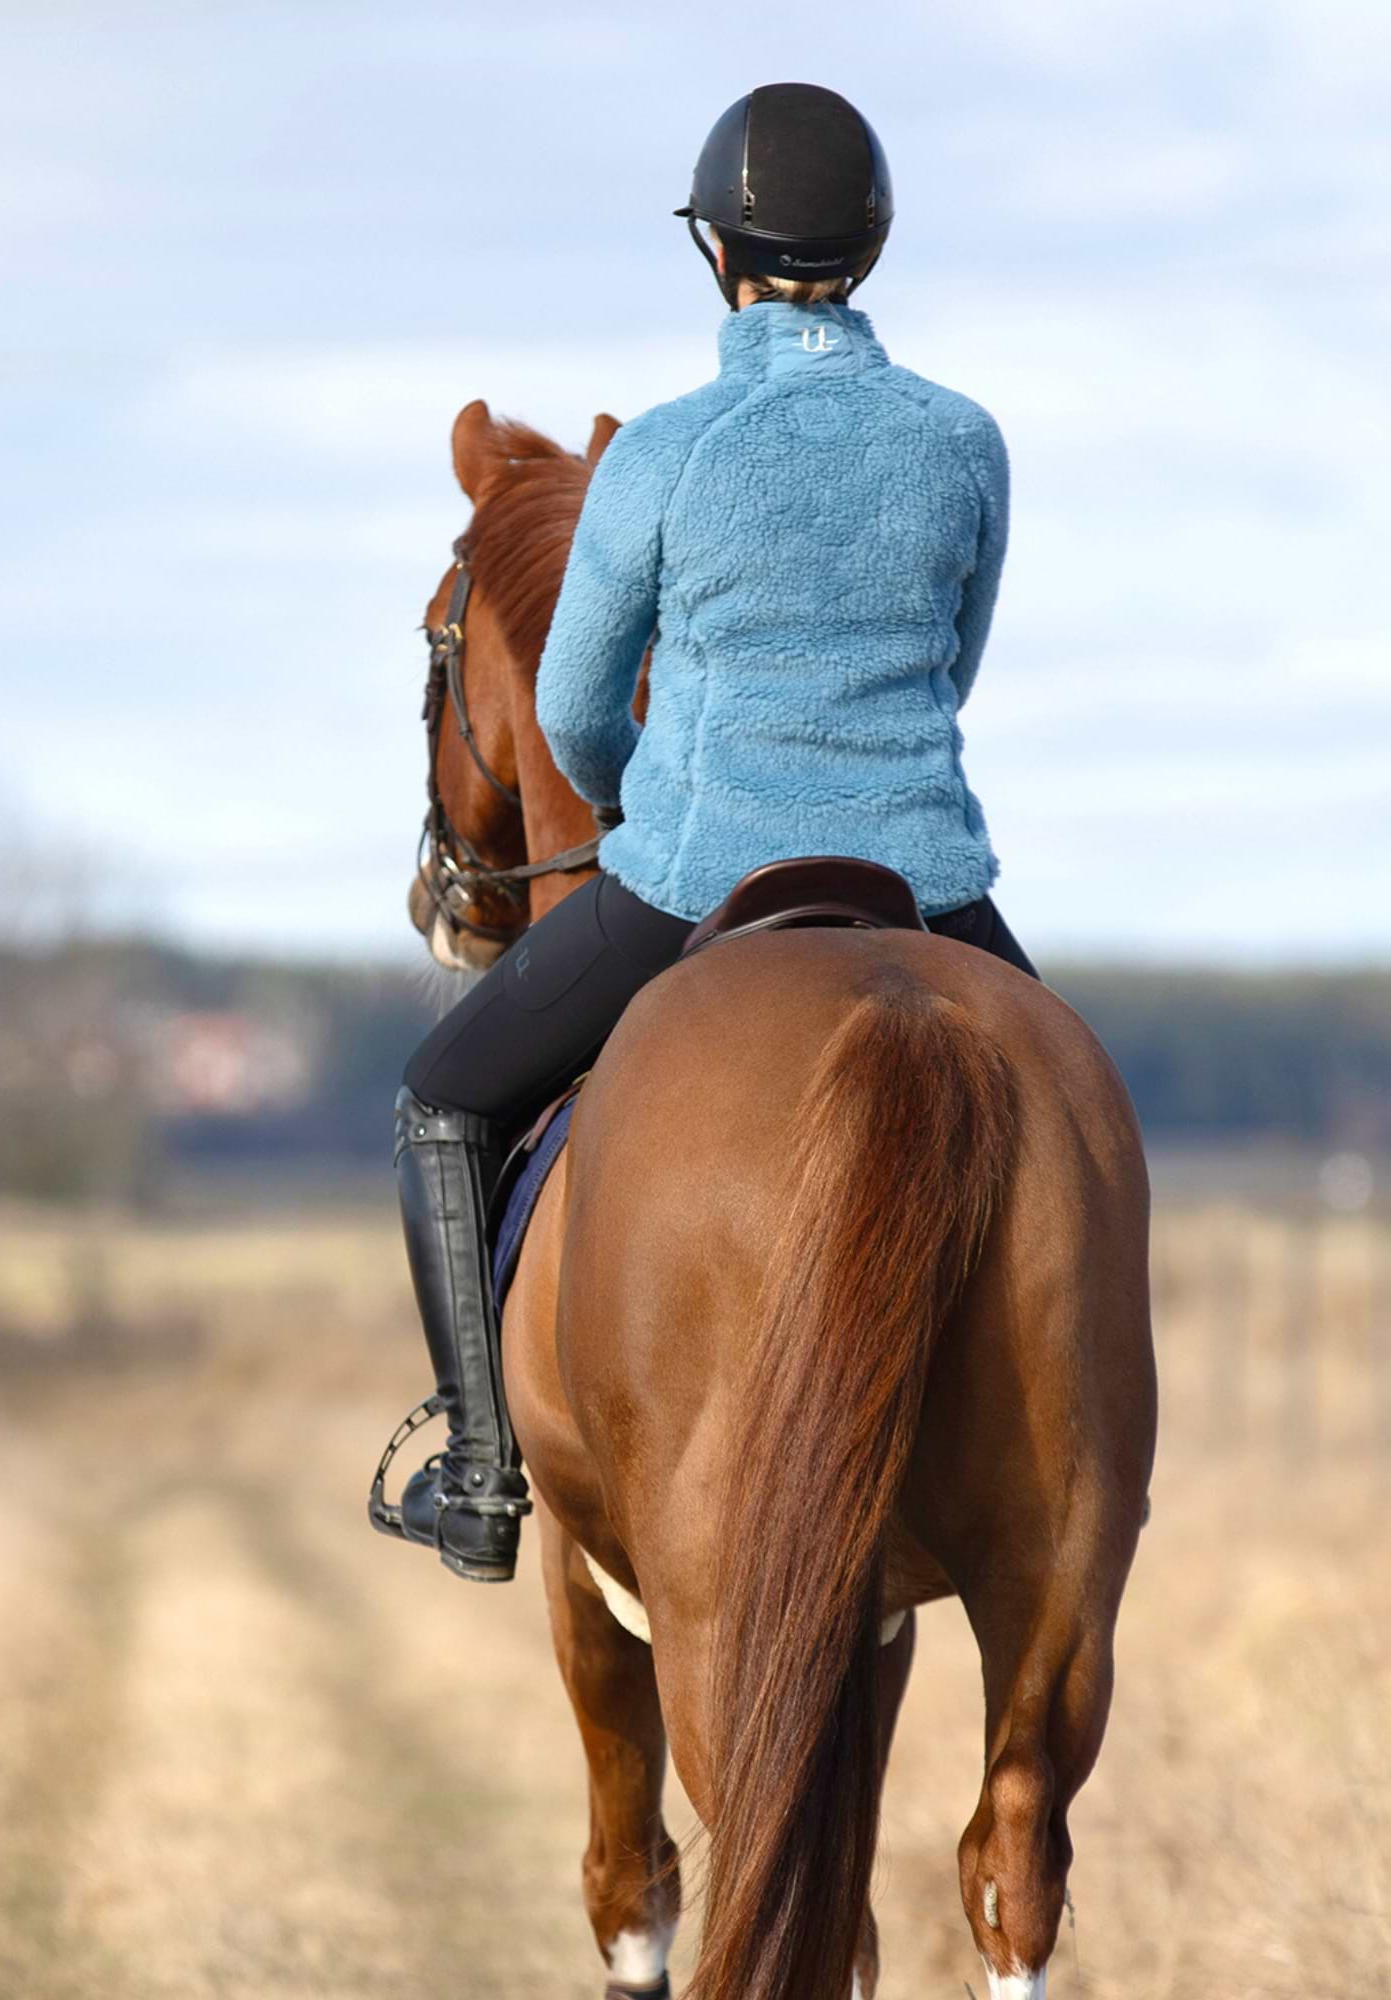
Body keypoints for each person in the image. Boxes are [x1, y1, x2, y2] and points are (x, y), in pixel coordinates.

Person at [385, 82, 1040, 1583]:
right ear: (870, 248)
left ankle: (480, 1476)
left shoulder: (664, 454)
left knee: (443, 1098)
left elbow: (575, 712)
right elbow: (952, 669)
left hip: (694, 878)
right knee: (1082, 1123)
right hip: (929, 879)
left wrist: (649, 799)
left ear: (718, 253)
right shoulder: (965, 441)